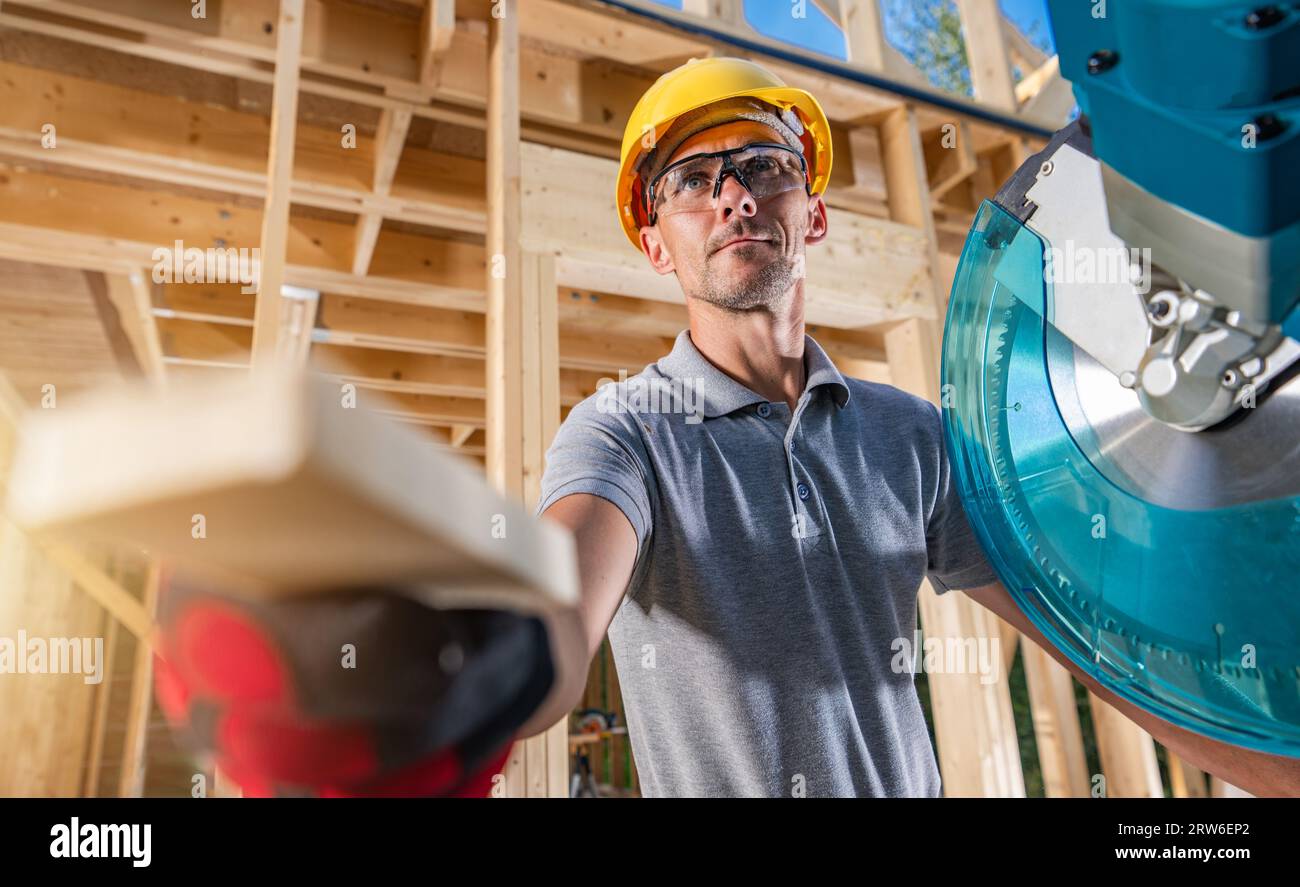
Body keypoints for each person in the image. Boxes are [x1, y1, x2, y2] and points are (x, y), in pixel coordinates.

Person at [157, 57, 1299, 798]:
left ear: (812, 206)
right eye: (693, 180)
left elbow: (1099, 640)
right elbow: (562, 601)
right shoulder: (624, 434)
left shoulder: (913, 438)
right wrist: (463, 668)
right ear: (655, 242)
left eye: (761, 166)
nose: (734, 193)